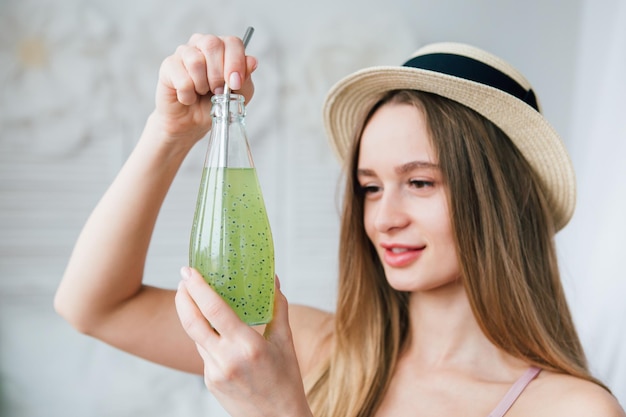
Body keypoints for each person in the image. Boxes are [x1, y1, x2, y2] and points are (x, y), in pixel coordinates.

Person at [54, 33, 626, 417]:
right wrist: (170, 132)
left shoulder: (567, 409)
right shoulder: (323, 350)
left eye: (421, 182)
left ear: (499, 199)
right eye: (370, 187)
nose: (384, 217)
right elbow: (96, 305)